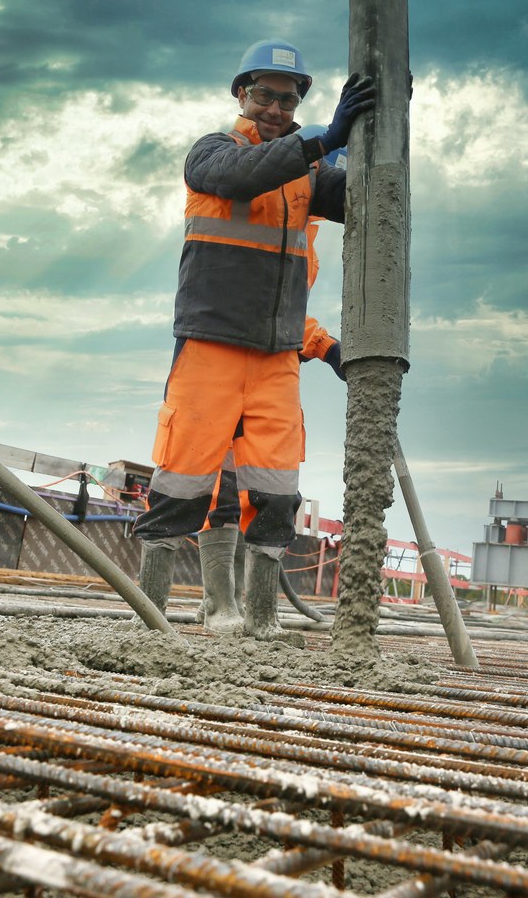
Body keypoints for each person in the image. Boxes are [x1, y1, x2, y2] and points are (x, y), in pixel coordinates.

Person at [132, 39, 375, 639]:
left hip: (276, 359)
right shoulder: (213, 154)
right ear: (241, 94)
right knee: (183, 483)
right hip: (211, 346)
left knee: (275, 491)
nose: (275, 107)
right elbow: (243, 177)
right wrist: (322, 139)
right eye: (265, 95)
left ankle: (260, 622)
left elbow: (369, 199)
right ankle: (150, 625)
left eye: (287, 100)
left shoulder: (307, 180)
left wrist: (385, 125)